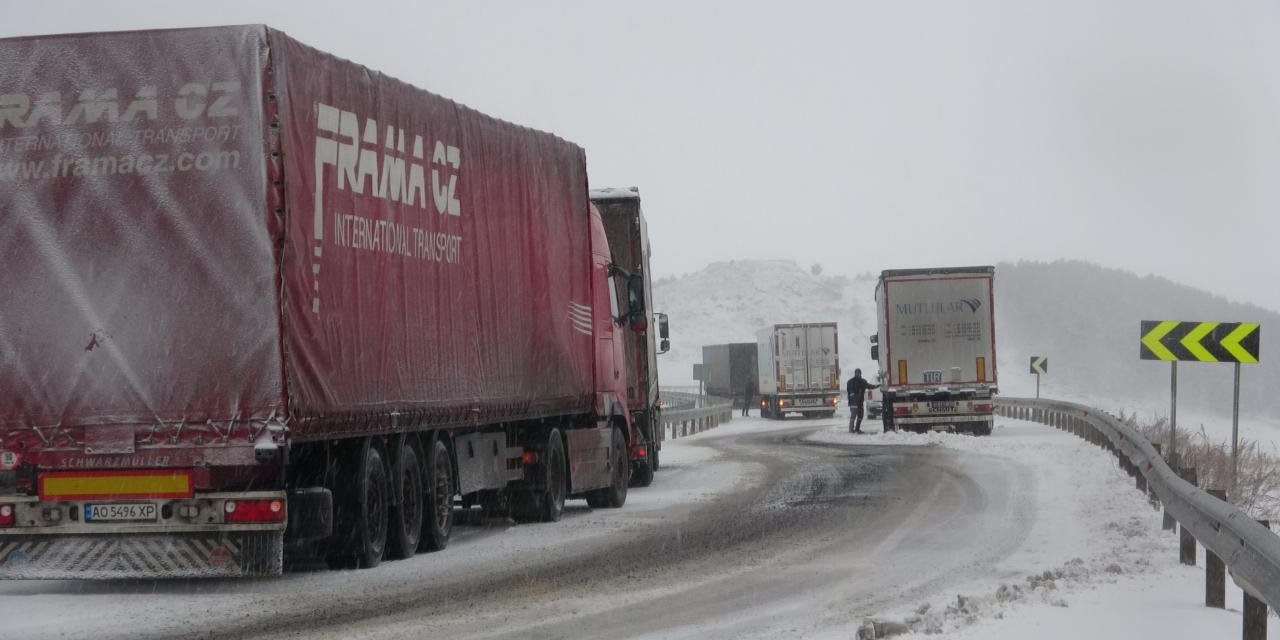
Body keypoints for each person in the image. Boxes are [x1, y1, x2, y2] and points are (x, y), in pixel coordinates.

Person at [846, 369, 879, 433]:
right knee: (853, 415)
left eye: (859, 373)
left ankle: (857, 429)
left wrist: (877, 386)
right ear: (855, 373)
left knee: (860, 415)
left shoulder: (863, 381)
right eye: (856, 373)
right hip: (853, 402)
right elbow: (849, 390)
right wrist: (852, 395)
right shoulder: (850, 382)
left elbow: (869, 386)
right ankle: (851, 429)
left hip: (860, 402)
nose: (857, 374)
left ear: (861, 374)